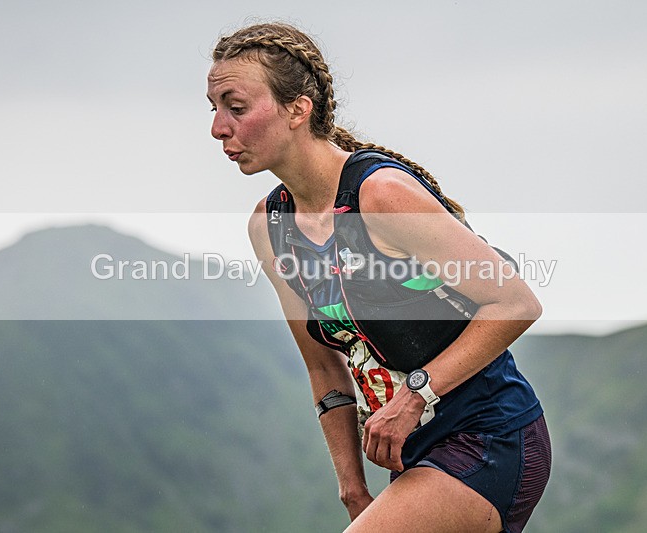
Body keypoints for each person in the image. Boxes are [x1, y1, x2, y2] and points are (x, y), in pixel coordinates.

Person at [207, 22, 552, 533]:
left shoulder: (381, 195)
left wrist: (413, 396)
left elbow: (516, 303)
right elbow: (325, 369)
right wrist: (351, 488)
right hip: (412, 457)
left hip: (490, 435)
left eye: (236, 107)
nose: (218, 128)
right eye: (213, 108)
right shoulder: (270, 226)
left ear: (299, 109)